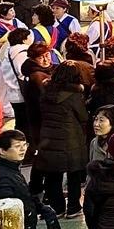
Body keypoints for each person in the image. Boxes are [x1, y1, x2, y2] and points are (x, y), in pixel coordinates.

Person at [36, 62, 89, 216]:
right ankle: (73, 207)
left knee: (53, 175)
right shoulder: (74, 95)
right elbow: (83, 116)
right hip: (70, 139)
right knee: (73, 175)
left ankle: (57, 207)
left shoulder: (46, 91)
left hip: (48, 138)